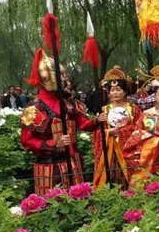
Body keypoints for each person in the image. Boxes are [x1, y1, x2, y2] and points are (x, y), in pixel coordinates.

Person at [21, 49, 107, 196]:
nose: (66, 80)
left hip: (73, 162)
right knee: (52, 205)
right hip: (49, 165)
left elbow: (82, 124)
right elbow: (27, 140)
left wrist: (97, 121)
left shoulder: (68, 103)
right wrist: (54, 143)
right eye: (61, 76)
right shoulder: (34, 108)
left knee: (79, 202)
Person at [92, 66, 142, 189]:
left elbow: (140, 128)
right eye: (112, 90)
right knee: (112, 178)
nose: (115, 93)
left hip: (128, 150)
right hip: (111, 151)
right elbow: (97, 133)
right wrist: (108, 132)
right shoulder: (104, 110)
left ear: (125, 91)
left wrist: (123, 132)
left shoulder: (134, 110)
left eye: (118, 89)